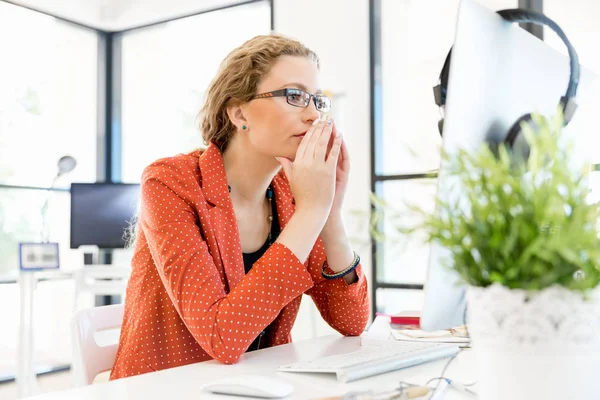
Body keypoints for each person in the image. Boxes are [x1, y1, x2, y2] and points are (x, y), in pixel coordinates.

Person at [110, 34, 369, 380]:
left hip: (253, 386)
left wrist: (330, 213)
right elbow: (224, 339)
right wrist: (311, 213)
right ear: (238, 112)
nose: (313, 115)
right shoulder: (170, 182)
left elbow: (351, 321)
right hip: (168, 388)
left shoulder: (293, 195)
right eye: (295, 96)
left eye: (317, 101)